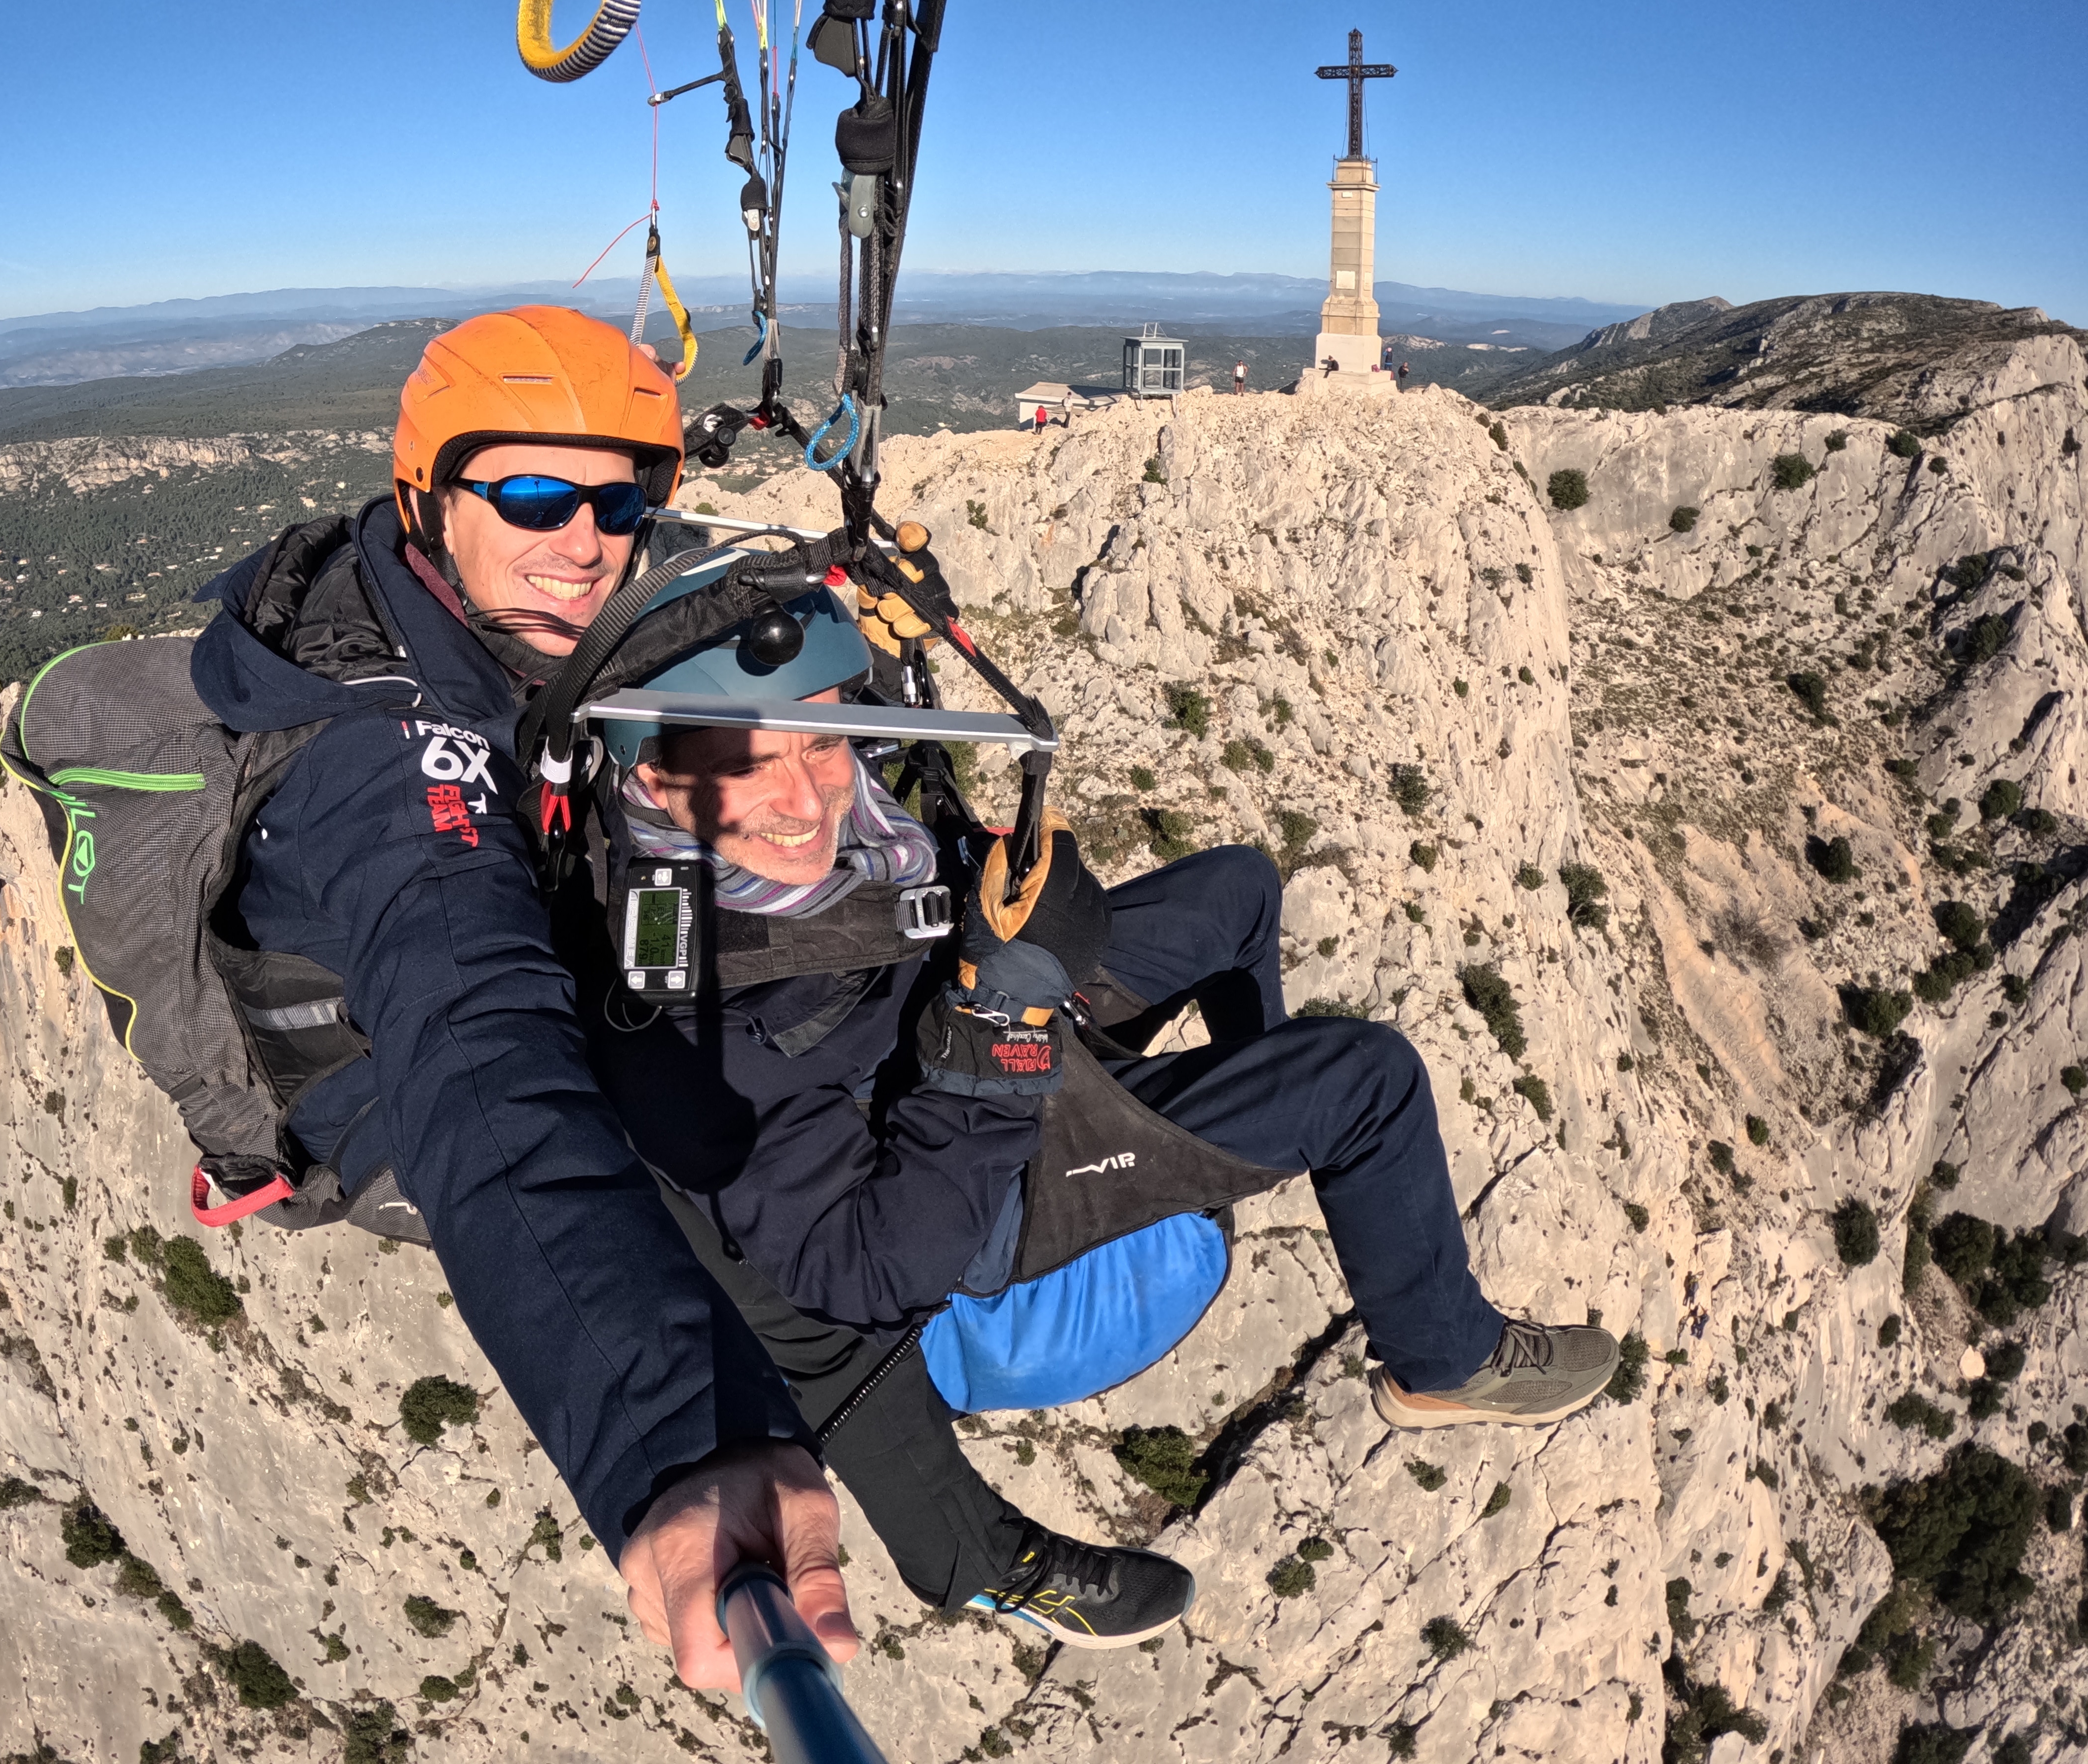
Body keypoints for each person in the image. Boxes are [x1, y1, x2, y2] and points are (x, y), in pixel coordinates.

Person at [568, 574, 1618, 1633]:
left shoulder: (826, 834)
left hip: (954, 995)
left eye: (825, 743)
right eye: (753, 766)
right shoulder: (698, 1025)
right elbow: (866, 1270)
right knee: (1368, 1080)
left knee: (1243, 889)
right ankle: (1441, 1358)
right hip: (976, 1177)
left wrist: (994, 880)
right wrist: (1001, 1028)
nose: (809, 800)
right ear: (654, 782)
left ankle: (1234, 1143)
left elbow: (871, 857)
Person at [167, 307, 855, 1690]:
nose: (586, 539)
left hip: (456, 1001)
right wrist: (660, 1448)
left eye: (623, 495)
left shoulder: (435, 596)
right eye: (535, 492)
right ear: (429, 493)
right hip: (392, 1088)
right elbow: (479, 1059)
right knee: (743, 1162)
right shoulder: (388, 773)